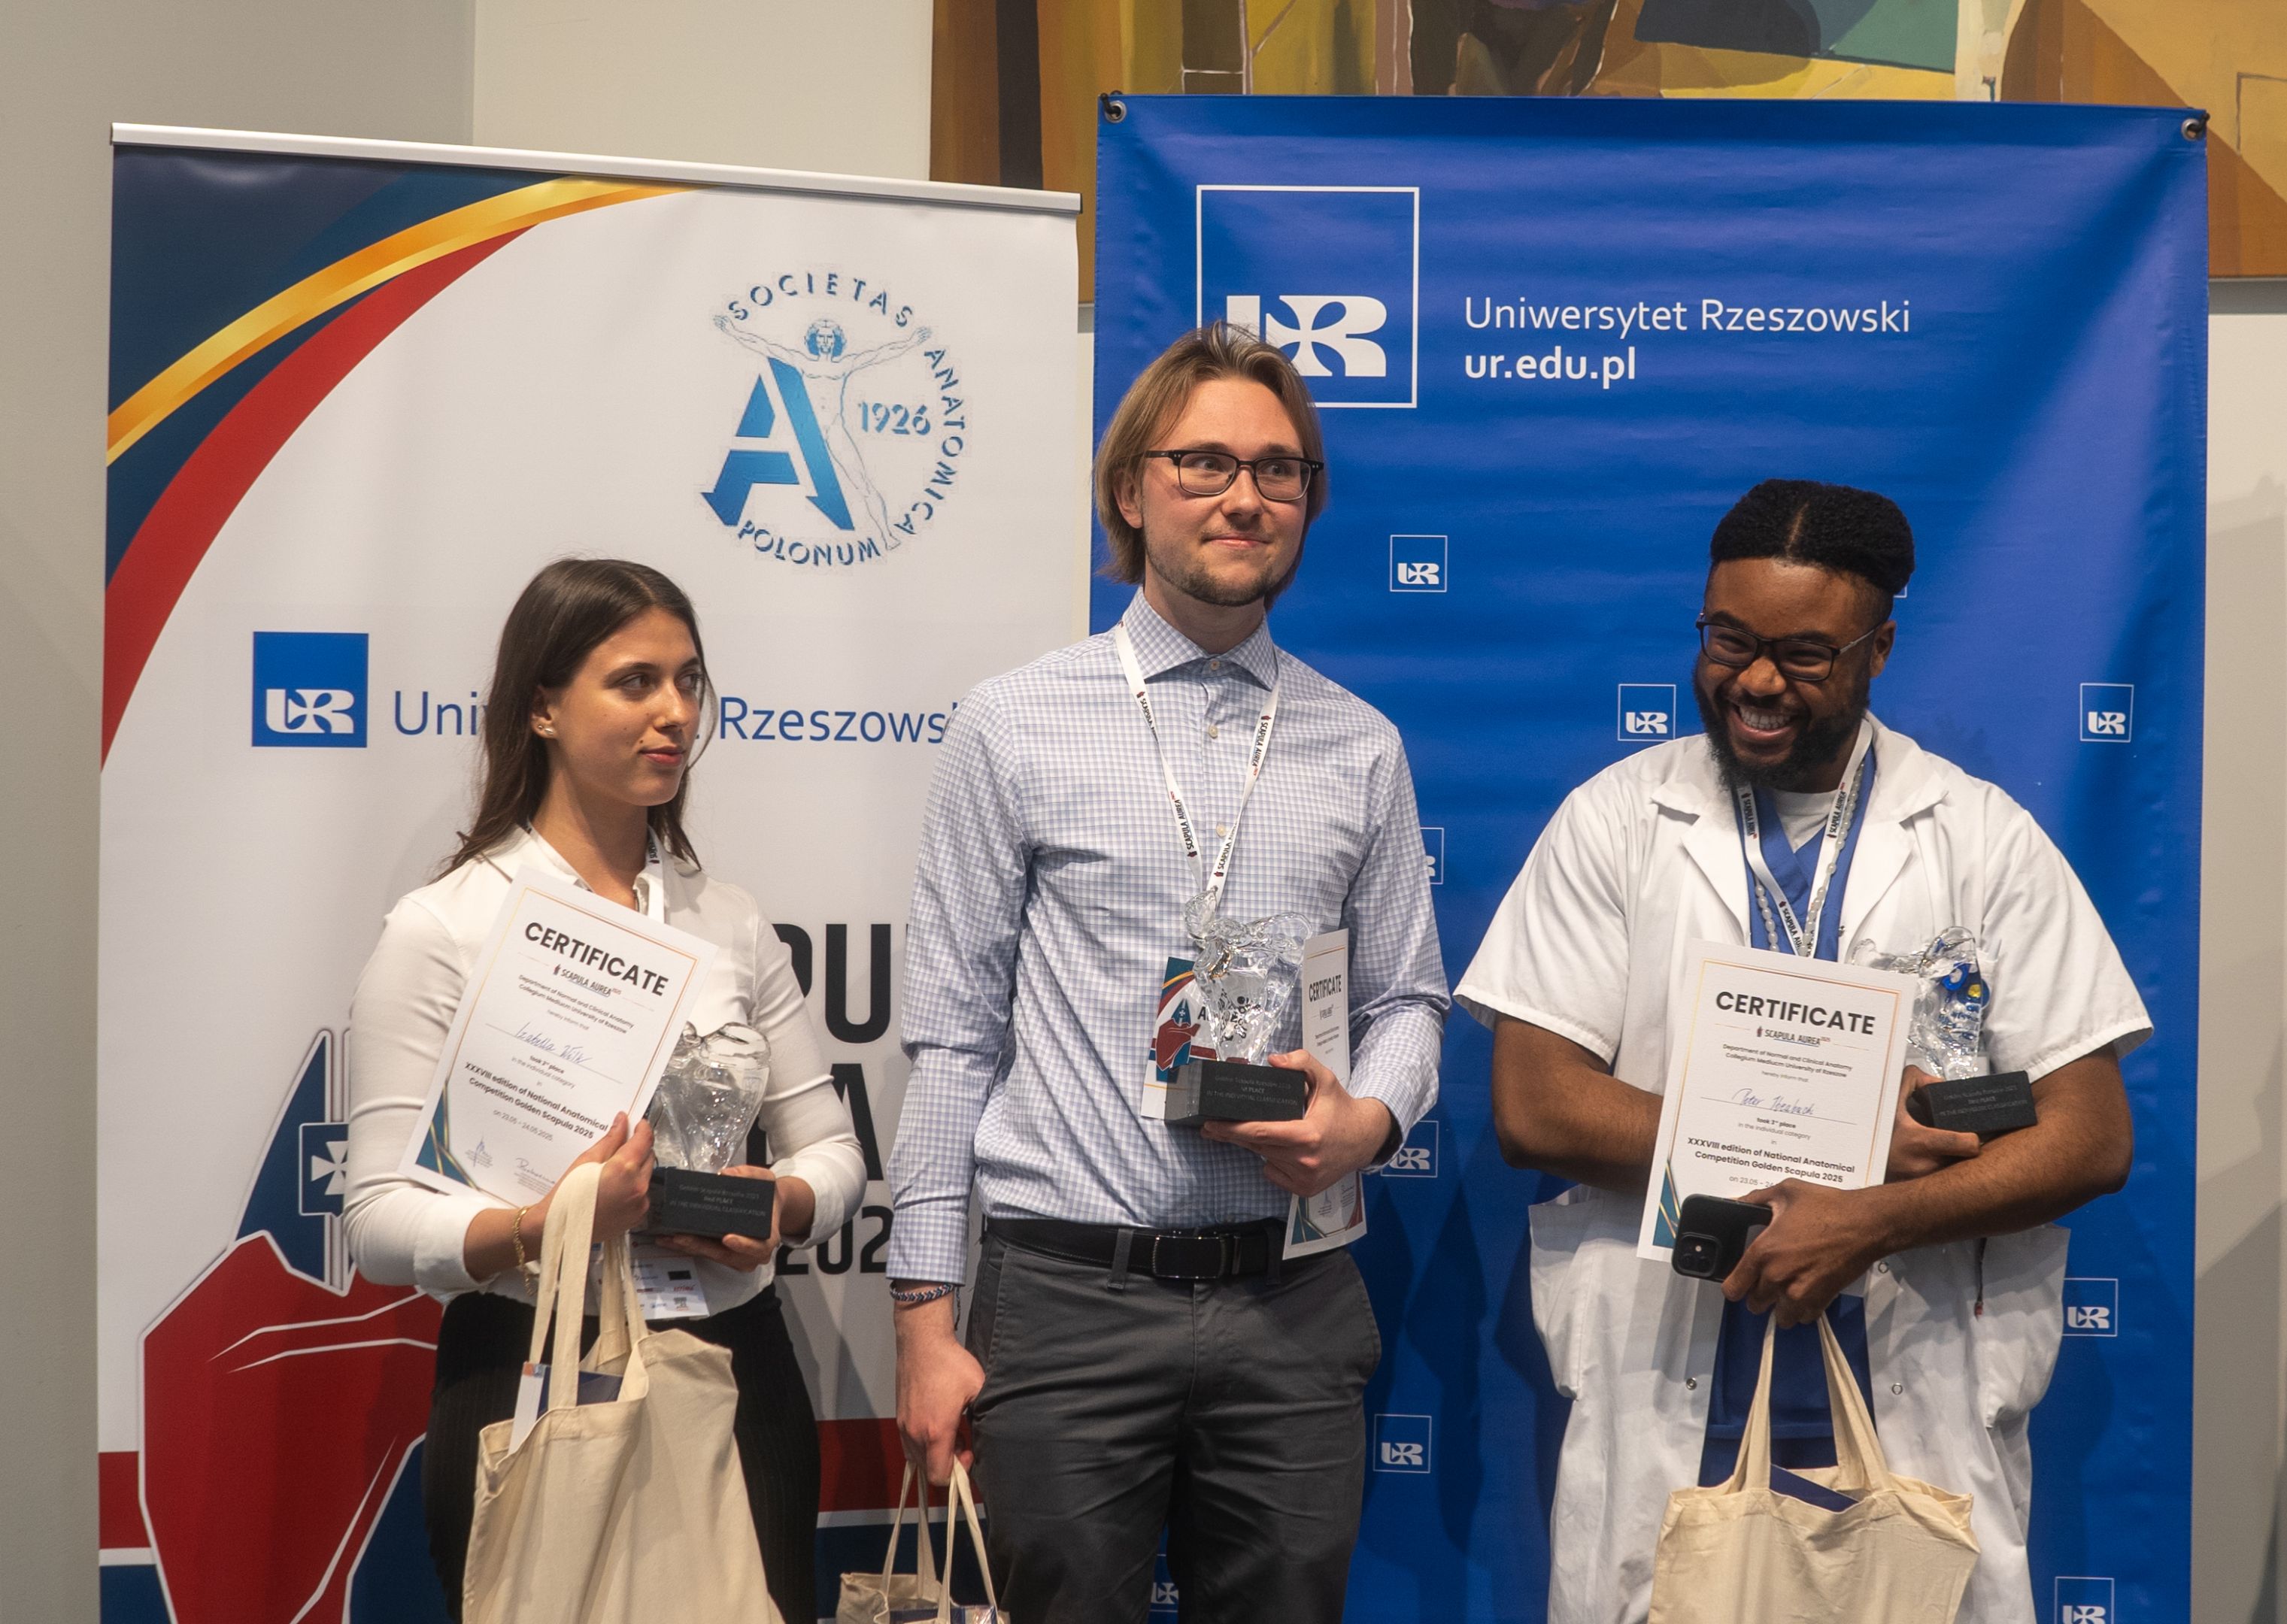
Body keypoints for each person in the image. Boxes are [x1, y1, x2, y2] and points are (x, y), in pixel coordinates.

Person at [1456, 480, 2149, 1624]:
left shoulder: (1978, 838)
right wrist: (1854, 1145)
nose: (1757, 681)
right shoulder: (1616, 820)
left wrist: (1869, 1218)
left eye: (1804, 653)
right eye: (1727, 640)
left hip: (1913, 1392)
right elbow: (1538, 1106)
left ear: (1880, 649)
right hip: (1669, 1383)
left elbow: (2089, 1136)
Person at [886, 323, 1449, 1623]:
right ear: (1129, 491)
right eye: (1203, 463)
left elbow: (1407, 1001)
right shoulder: (1011, 723)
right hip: (1066, 1300)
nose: (1244, 496)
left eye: (1278, 469)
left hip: (1291, 1301)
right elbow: (954, 1038)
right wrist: (922, 1319)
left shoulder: (1359, 744)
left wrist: (1368, 1120)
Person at [343, 557, 866, 1622]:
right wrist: (551, 1222)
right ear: (541, 706)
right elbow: (378, 1219)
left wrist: (779, 1203)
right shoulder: (447, 925)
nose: (674, 713)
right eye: (634, 682)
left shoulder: (729, 920)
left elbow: (835, 1152)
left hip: (736, 1362)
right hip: (528, 1361)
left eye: (688, 681)